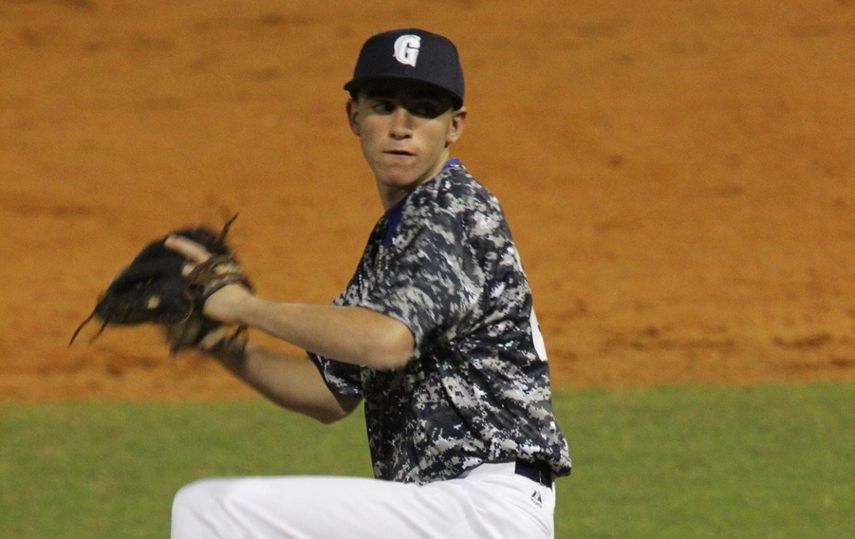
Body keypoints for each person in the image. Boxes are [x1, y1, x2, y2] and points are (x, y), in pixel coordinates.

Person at [167, 27, 571, 539]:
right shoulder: (397, 240)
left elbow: (384, 342)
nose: (401, 127)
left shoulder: (447, 214)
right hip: (454, 511)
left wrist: (246, 307)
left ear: (454, 126)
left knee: (211, 511)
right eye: (383, 105)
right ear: (354, 116)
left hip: (479, 508)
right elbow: (329, 393)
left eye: (423, 108)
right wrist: (223, 348)